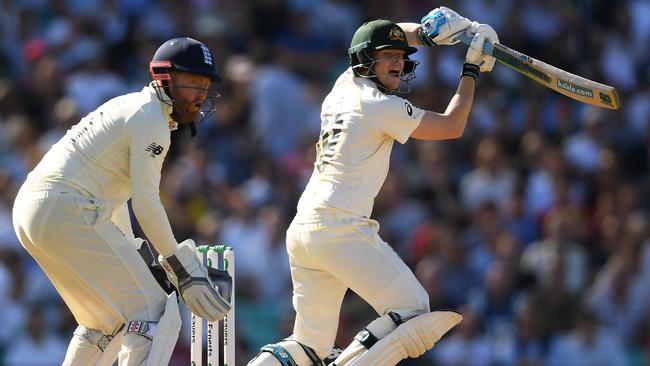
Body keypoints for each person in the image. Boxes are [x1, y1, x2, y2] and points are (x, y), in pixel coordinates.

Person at [247, 7, 499, 366]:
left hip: (305, 228)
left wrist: (430, 33)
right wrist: (471, 70)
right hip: (339, 225)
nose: (397, 63)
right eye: (388, 58)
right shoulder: (381, 105)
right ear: (367, 61)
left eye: (401, 56)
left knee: (308, 345)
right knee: (414, 310)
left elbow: (387, 33)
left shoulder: (343, 84)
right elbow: (452, 125)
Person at [12, 37, 231, 365]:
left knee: (104, 323)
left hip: (36, 210)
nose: (200, 94)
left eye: (205, 85)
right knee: (156, 311)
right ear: (165, 78)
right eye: (193, 83)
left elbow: (114, 200)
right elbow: (145, 203)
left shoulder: (132, 107)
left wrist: (135, 250)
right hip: (67, 208)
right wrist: (179, 266)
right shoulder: (152, 120)